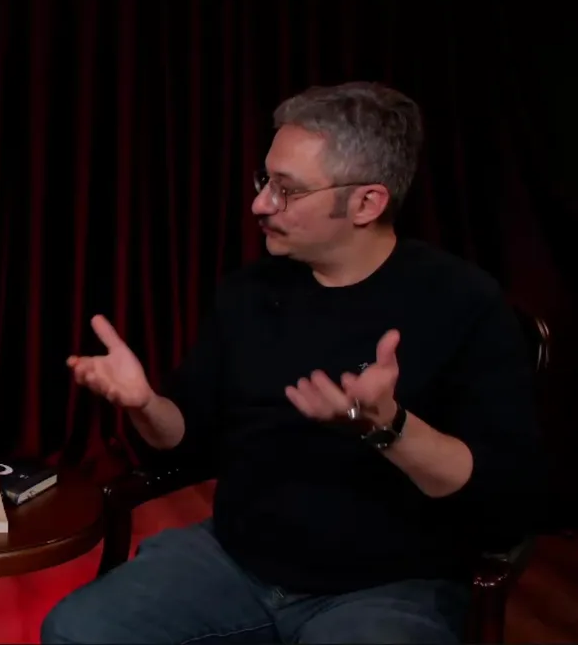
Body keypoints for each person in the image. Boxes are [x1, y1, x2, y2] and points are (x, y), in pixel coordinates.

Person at [43, 82, 542, 644]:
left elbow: (504, 500)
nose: (261, 204)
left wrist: (389, 428)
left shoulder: (464, 303)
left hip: (390, 588)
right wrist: (145, 404)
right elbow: (186, 440)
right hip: (236, 561)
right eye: (265, 181)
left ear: (366, 203)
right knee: (75, 631)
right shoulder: (248, 293)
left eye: (288, 190)